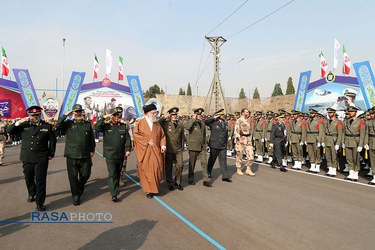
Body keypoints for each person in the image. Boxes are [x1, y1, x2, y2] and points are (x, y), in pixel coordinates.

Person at [7, 106, 56, 211]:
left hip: (41, 157)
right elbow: (9, 130)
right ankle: (31, 192)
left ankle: (40, 202)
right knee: (28, 177)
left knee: (40, 180)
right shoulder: (24, 125)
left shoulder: (47, 126)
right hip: (27, 156)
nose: (35, 117)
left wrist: (51, 153)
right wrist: (19, 121)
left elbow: (52, 141)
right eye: (33, 115)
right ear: (30, 115)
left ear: (40, 115)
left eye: (37, 115)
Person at [56, 104, 96, 205]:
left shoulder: (87, 124)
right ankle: (76, 196)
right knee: (73, 177)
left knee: (86, 174)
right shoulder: (68, 124)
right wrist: (66, 115)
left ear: (82, 113)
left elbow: (91, 138)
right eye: (76, 112)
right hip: (72, 155)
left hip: (85, 155)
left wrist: (92, 150)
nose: (78, 113)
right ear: (73, 113)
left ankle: (79, 187)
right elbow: (57, 125)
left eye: (79, 112)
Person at [96, 108, 131, 201]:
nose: (116, 116)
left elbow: (127, 138)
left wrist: (128, 149)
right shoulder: (106, 126)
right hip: (110, 153)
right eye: (114, 115)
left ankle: (115, 187)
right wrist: (104, 117)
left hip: (120, 153)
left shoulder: (123, 126)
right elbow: (97, 127)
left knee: (118, 172)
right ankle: (114, 193)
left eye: (117, 114)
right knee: (112, 173)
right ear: (111, 116)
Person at [133, 104, 166, 198]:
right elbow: (136, 135)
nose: (155, 114)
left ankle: (155, 188)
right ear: (147, 113)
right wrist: (147, 141)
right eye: (153, 113)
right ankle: (149, 191)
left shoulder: (157, 124)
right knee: (147, 171)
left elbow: (162, 136)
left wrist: (163, 145)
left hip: (156, 151)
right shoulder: (140, 123)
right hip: (145, 151)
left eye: (155, 112)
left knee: (157, 169)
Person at [159, 107, 184, 191]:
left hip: (178, 149)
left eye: (175, 114)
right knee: (169, 167)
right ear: (170, 115)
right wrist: (164, 117)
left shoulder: (180, 124)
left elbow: (182, 136)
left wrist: (182, 147)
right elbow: (158, 123)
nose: (174, 116)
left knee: (180, 165)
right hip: (169, 149)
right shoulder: (165, 123)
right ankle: (169, 182)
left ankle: (177, 182)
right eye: (172, 114)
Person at [186, 108, 212, 187]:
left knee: (204, 162)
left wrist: (205, 145)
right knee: (192, 163)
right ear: (195, 114)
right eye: (198, 114)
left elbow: (203, 135)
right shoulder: (191, 122)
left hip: (201, 146)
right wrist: (193, 118)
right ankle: (190, 178)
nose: (199, 116)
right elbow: (187, 127)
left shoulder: (202, 123)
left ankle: (206, 179)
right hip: (193, 146)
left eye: (200, 114)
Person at [205, 109, 232, 182]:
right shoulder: (213, 122)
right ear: (219, 116)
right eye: (222, 115)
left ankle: (225, 176)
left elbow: (225, 134)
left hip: (222, 145)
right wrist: (214, 117)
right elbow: (206, 122)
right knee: (212, 160)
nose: (224, 116)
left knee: (223, 161)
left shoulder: (225, 123)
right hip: (214, 144)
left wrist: (226, 143)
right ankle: (208, 173)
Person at [343, 106, 366, 181]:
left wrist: (361, 145)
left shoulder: (360, 121)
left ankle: (356, 173)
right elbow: (344, 132)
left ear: (356, 112)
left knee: (356, 158)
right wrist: (343, 142)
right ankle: (351, 172)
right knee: (349, 158)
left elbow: (362, 134)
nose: (350, 113)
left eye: (352, 111)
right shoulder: (347, 121)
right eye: (350, 111)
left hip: (355, 141)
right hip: (347, 141)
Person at [234, 108, 255, 176]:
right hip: (241, 140)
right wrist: (240, 139)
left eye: (248, 112)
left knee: (251, 155)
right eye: (246, 112)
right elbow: (236, 131)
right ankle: (239, 169)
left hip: (248, 140)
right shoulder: (238, 120)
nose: (248, 113)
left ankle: (248, 169)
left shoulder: (248, 121)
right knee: (239, 155)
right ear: (243, 113)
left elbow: (249, 130)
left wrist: (250, 138)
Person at [324, 108, 343, 177]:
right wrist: (323, 140)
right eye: (329, 113)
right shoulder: (327, 121)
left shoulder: (338, 122)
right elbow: (324, 132)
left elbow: (340, 133)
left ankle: (334, 169)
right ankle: (330, 168)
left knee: (334, 155)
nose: (329, 114)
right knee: (328, 155)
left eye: (331, 113)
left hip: (334, 140)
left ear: (334, 113)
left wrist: (338, 143)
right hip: (327, 139)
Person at [306, 108, 324, 173]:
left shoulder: (319, 121)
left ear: (315, 114)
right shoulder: (308, 121)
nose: (311, 114)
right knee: (311, 153)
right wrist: (306, 139)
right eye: (310, 113)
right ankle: (312, 165)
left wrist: (319, 141)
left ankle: (317, 165)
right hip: (309, 137)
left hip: (315, 138)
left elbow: (321, 132)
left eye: (312, 113)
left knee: (317, 153)